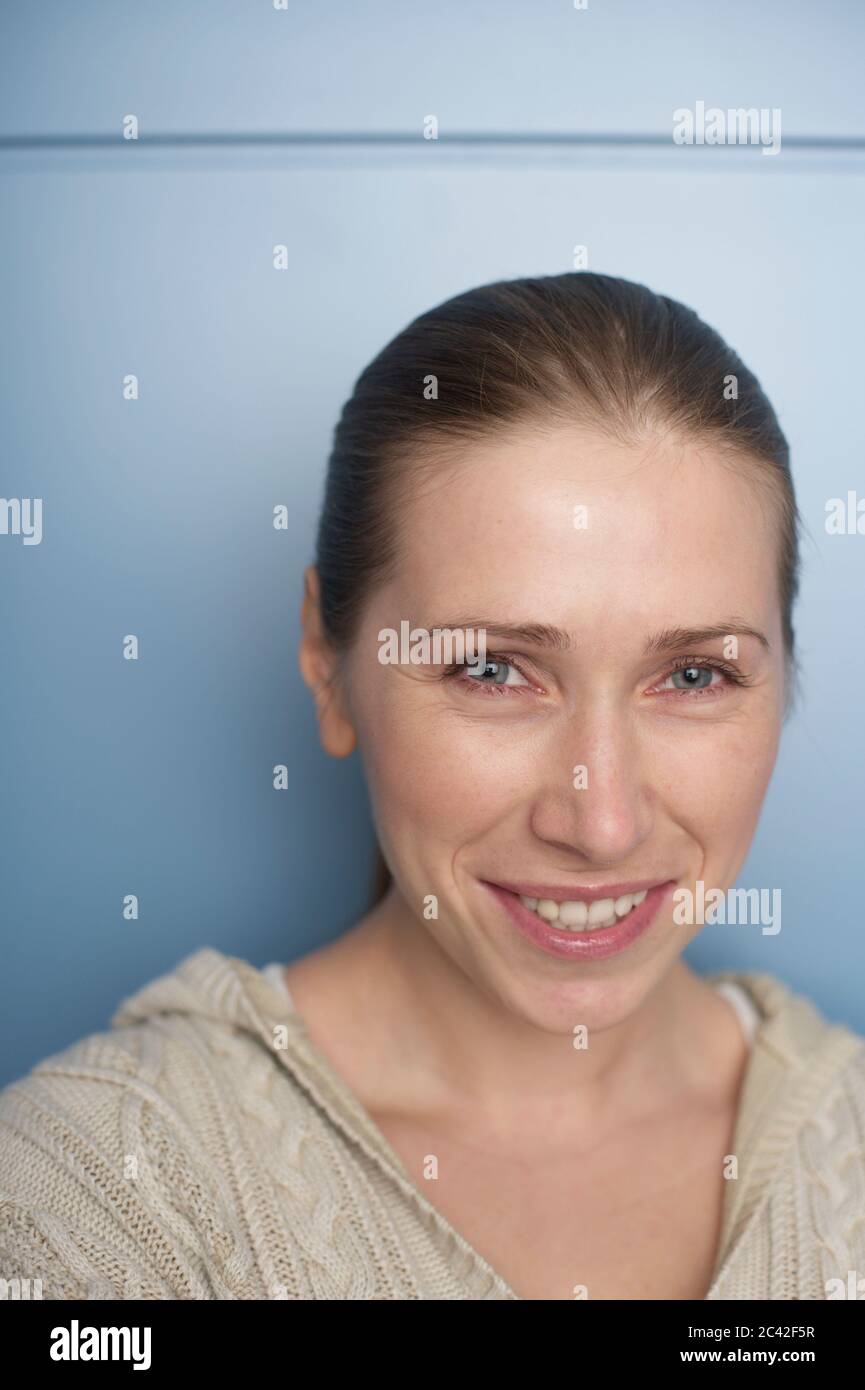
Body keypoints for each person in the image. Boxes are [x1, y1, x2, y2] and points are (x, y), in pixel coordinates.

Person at [1, 272, 863, 1301]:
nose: (601, 822)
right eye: (491, 669)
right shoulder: (94, 1203)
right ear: (328, 662)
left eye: (693, 674)